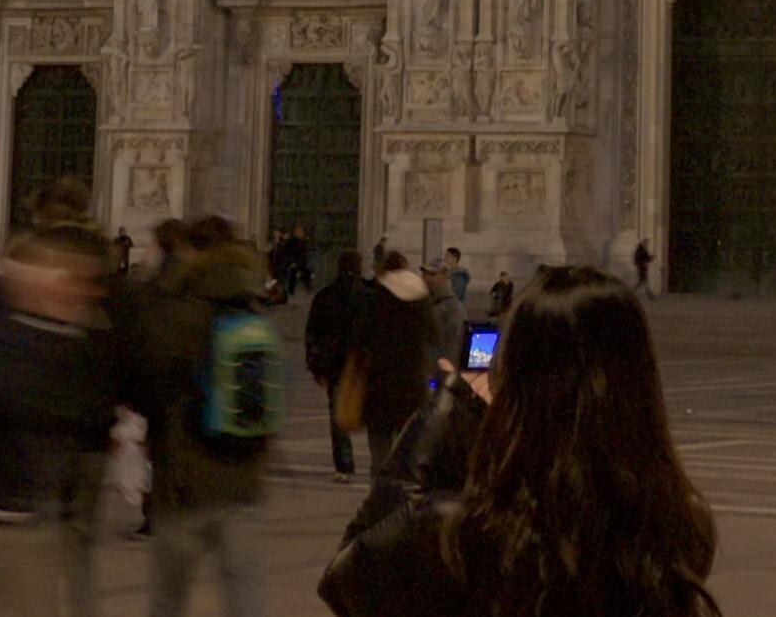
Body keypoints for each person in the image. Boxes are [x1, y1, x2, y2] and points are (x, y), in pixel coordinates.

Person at [318, 268, 716, 617]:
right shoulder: (682, 523)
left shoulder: (462, 531)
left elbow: (344, 579)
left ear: (515, 379)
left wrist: (448, 411)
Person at [0, 214, 116, 617]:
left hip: (22, 516)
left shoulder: (46, 335)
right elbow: (33, 402)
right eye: (68, 279)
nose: (78, 293)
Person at [119, 213, 278, 616]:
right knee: (245, 596)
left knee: (168, 600)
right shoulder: (252, 308)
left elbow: (142, 382)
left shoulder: (180, 311)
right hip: (243, 477)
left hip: (185, 477)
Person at [350, 250, 441, 474]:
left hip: (379, 382)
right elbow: (434, 336)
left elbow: (359, 338)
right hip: (412, 383)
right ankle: (403, 492)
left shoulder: (375, 297)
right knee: (408, 443)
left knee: (380, 443)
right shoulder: (421, 298)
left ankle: (379, 492)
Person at [303, 249, 375, 476]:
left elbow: (312, 332)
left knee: (337, 411)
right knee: (372, 411)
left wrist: (315, 365)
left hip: (333, 362)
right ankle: (378, 462)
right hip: (362, 361)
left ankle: (344, 464)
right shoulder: (368, 295)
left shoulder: (324, 295)